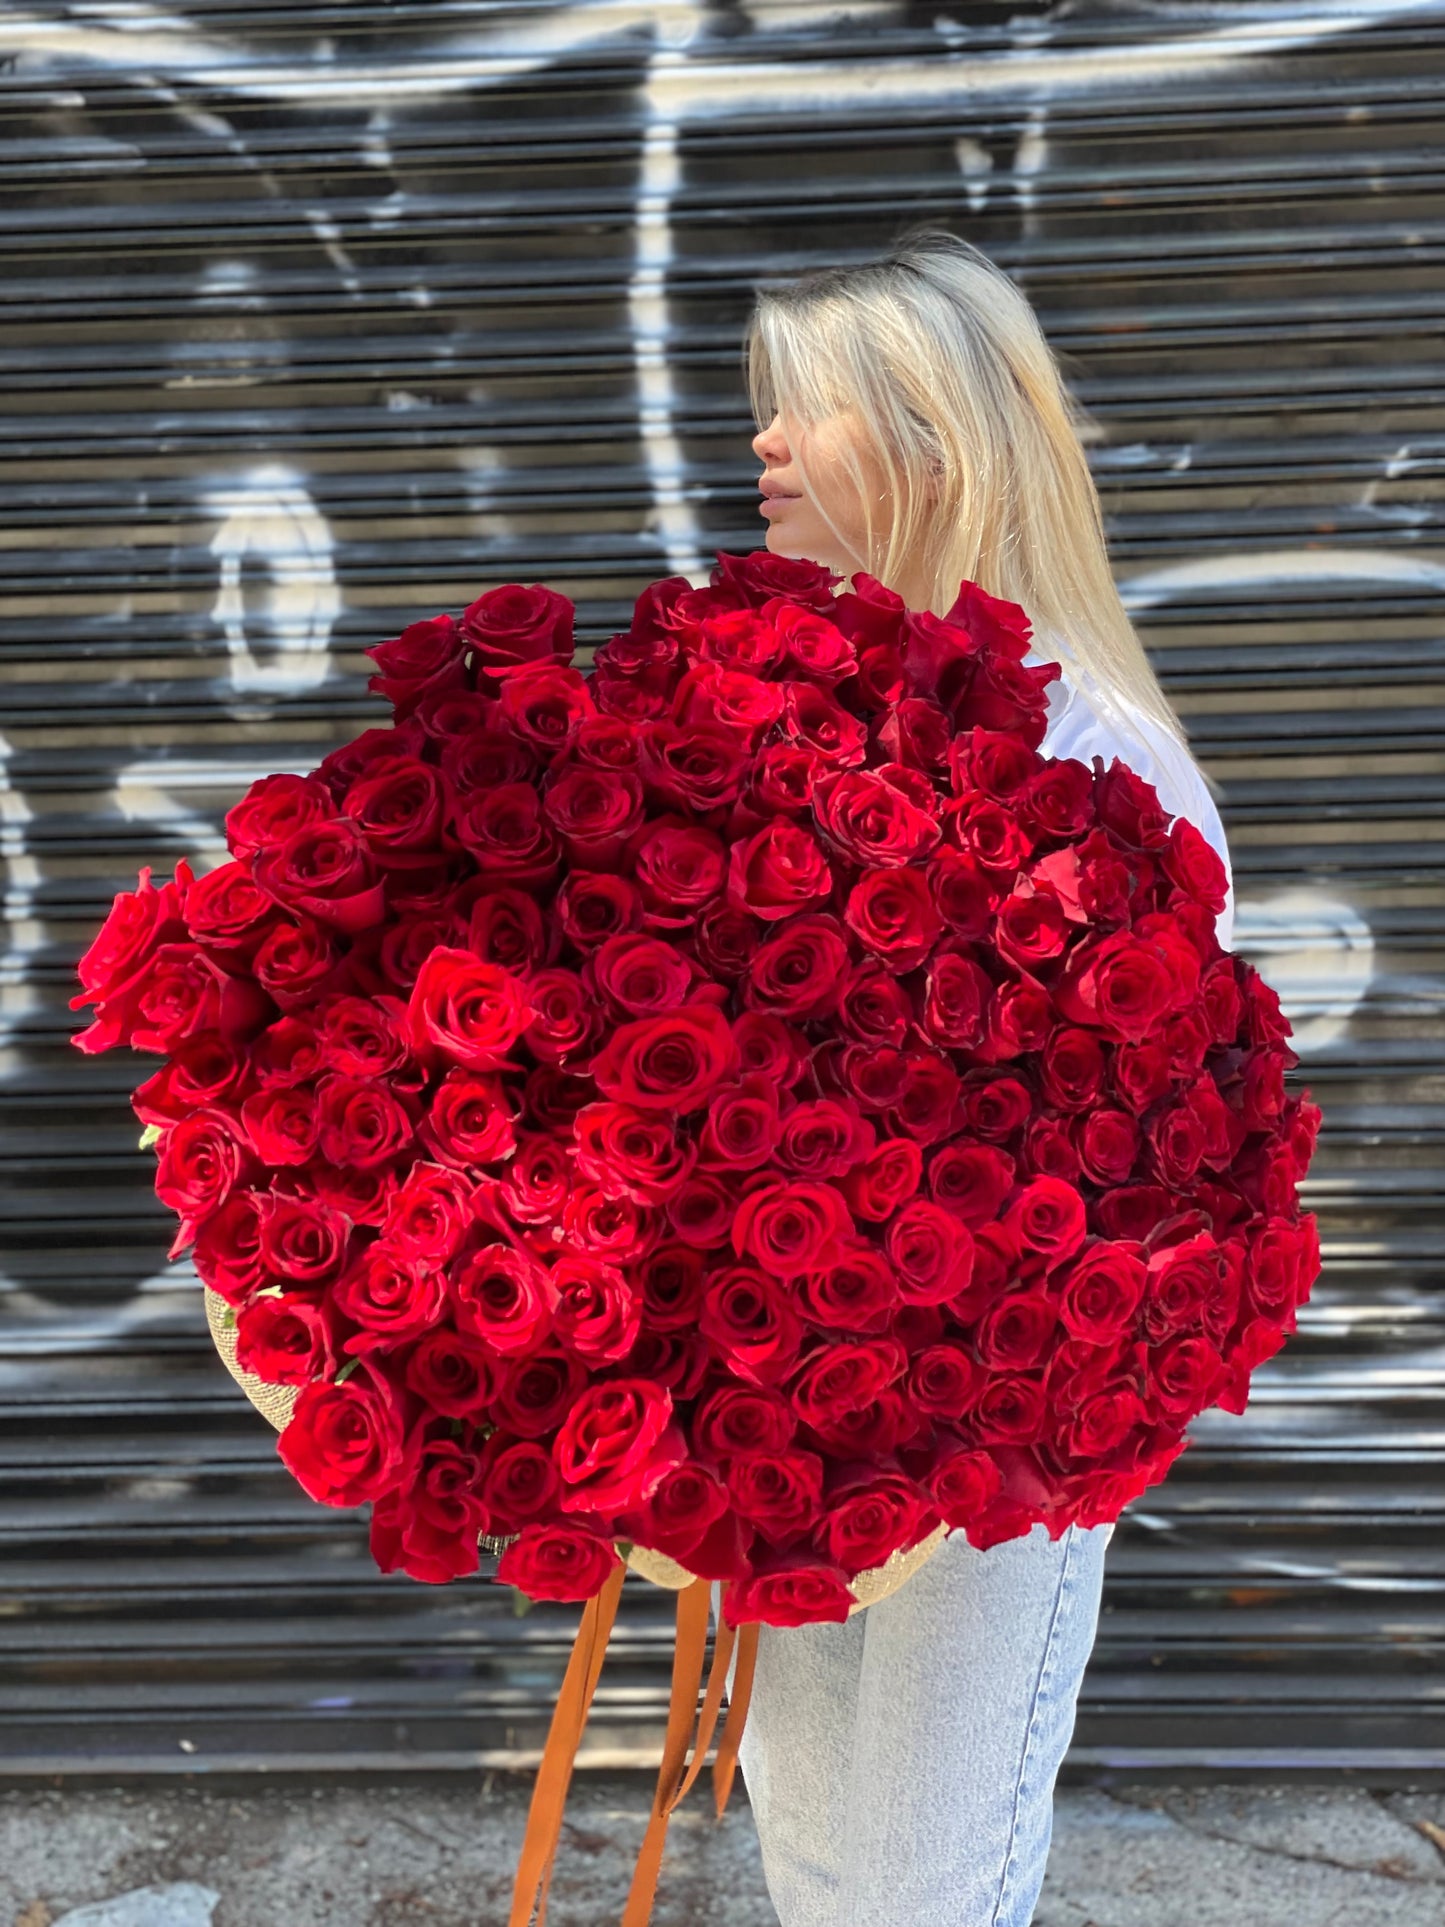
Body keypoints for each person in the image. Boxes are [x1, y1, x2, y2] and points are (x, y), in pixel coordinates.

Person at [731, 228, 1235, 1927]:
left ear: (933, 443)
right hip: (803, 1406)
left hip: (994, 1425)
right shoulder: (814, 708)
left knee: (922, 1873)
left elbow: (1154, 1153)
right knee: (799, 1826)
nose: (763, 448)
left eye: (802, 411)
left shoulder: (1093, 751)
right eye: (763, 411)